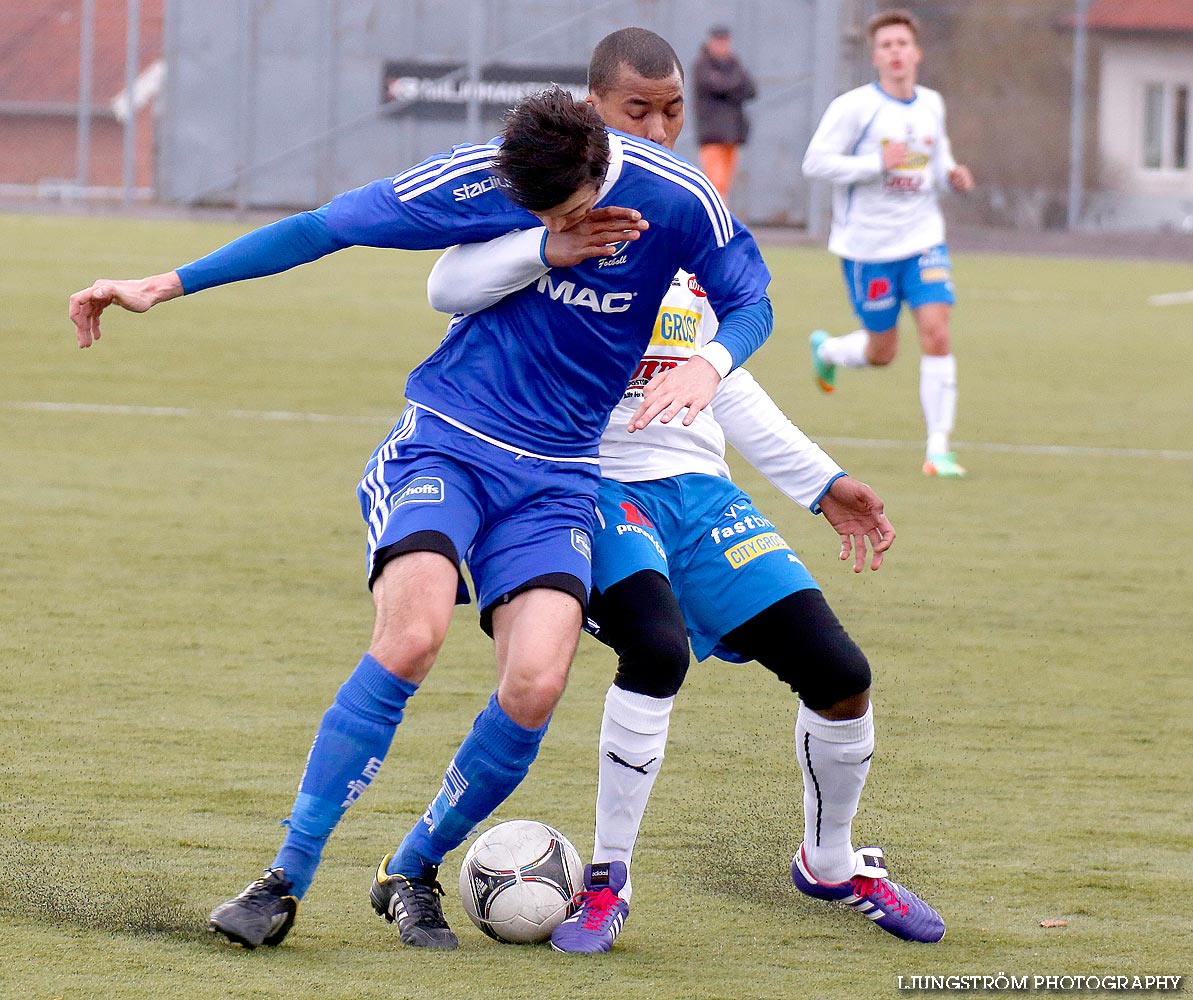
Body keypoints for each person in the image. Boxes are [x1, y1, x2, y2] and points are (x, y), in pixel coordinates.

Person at [68, 84, 776, 950]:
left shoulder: (677, 197)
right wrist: (166, 283)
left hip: (558, 481)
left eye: (573, 209)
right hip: (447, 446)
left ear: (600, 161)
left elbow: (752, 299)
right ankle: (280, 880)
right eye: (538, 210)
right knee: (412, 636)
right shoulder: (478, 180)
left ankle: (411, 866)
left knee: (537, 680)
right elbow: (322, 228)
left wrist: (709, 363)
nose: (562, 220)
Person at [427, 27, 945, 953]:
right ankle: (607, 881)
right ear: (594, 112)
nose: (661, 131)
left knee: (840, 677)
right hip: (586, 486)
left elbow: (720, 375)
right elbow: (447, 286)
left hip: (698, 490)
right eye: (640, 113)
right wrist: (545, 248)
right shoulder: (550, 203)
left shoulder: (688, 219)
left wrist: (819, 482)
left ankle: (828, 864)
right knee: (656, 650)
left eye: (673, 113)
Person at [802, 8, 974, 479]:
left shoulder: (932, 105)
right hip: (868, 249)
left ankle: (938, 449)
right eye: (886, 46)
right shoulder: (855, 108)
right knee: (884, 352)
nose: (896, 53)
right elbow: (815, 163)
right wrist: (876, 163)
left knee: (937, 332)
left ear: (916, 53)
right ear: (875, 56)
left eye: (903, 44)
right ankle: (830, 352)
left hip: (923, 241)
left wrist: (952, 176)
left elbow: (936, 165)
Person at [693, 25, 756, 199]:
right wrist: (734, 84)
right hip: (712, 133)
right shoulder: (703, 65)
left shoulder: (733, 63)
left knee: (726, 183)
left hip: (733, 132)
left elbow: (750, 89)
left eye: (725, 42)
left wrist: (731, 83)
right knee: (715, 182)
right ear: (710, 42)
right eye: (718, 42)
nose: (722, 46)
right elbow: (718, 86)